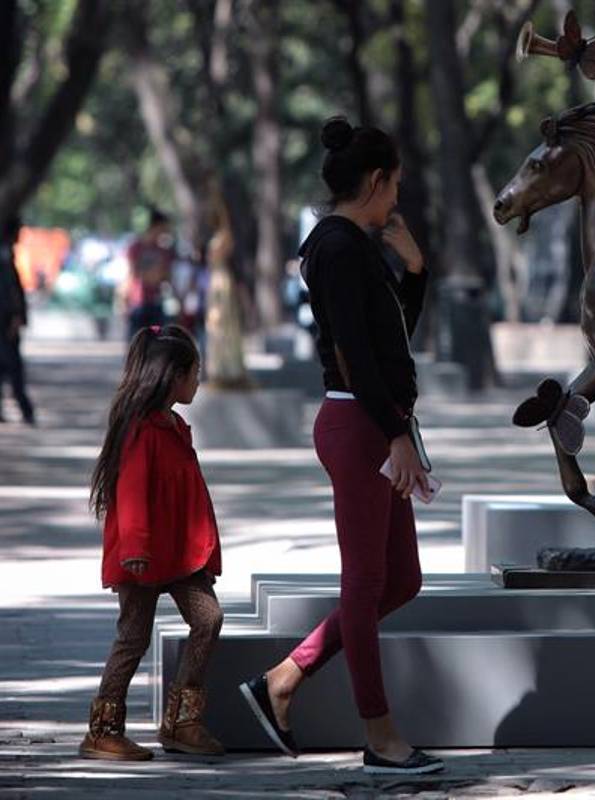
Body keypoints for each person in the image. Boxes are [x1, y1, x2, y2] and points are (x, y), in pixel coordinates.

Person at [238, 116, 441, 776]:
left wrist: (414, 270)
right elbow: (355, 355)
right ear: (376, 181)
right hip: (359, 426)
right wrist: (394, 435)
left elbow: (390, 338)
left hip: (375, 424)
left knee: (400, 579)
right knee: (365, 583)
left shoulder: (356, 244)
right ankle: (379, 734)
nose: (398, 200)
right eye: (396, 186)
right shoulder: (336, 247)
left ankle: (285, 678)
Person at [81, 325, 224, 760]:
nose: (198, 380)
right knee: (133, 637)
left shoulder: (174, 425)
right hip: (143, 557)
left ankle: (182, 721)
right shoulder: (142, 431)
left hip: (180, 555)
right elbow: (133, 493)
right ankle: (104, 729)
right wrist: (136, 549)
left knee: (209, 618)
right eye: (195, 372)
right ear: (173, 377)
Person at [0, 216, 34, 425]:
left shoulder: (8, 254)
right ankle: (25, 409)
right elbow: (8, 291)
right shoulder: (4, 256)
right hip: (5, 321)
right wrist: (14, 315)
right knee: (13, 367)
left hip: (7, 320)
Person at [124, 209, 174, 341]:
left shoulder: (163, 251)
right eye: (164, 228)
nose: (165, 232)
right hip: (138, 303)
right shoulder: (136, 247)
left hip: (156, 303)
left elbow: (165, 276)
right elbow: (133, 274)